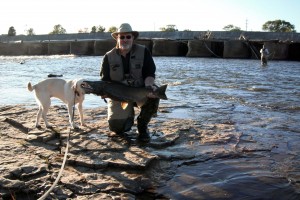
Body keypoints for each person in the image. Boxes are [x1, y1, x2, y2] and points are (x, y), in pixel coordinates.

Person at [100, 23, 159, 142]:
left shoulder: (144, 51)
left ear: (133, 38)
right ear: (117, 38)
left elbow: (150, 73)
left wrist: (149, 86)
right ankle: (127, 116)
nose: (125, 39)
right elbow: (105, 81)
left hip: (139, 91)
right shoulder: (108, 56)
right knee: (117, 127)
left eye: (128, 37)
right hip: (119, 95)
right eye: (122, 37)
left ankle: (142, 126)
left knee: (155, 93)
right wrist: (104, 93)